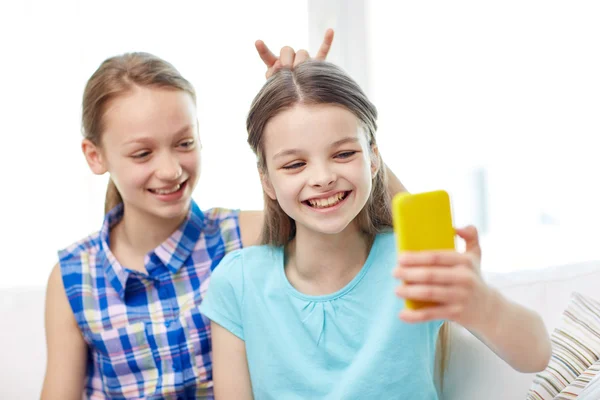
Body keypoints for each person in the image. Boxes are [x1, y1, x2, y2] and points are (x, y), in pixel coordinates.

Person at [40, 31, 408, 399]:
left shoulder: (243, 236)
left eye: (184, 143)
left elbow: (386, 220)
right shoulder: (74, 276)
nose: (170, 169)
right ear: (95, 156)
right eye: (142, 154)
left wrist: (332, 117)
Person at [199, 60, 552, 399]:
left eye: (343, 154)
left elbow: (536, 355)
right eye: (294, 164)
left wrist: (482, 304)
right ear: (268, 181)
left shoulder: (415, 259)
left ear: (373, 157)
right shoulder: (239, 281)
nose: (322, 178)